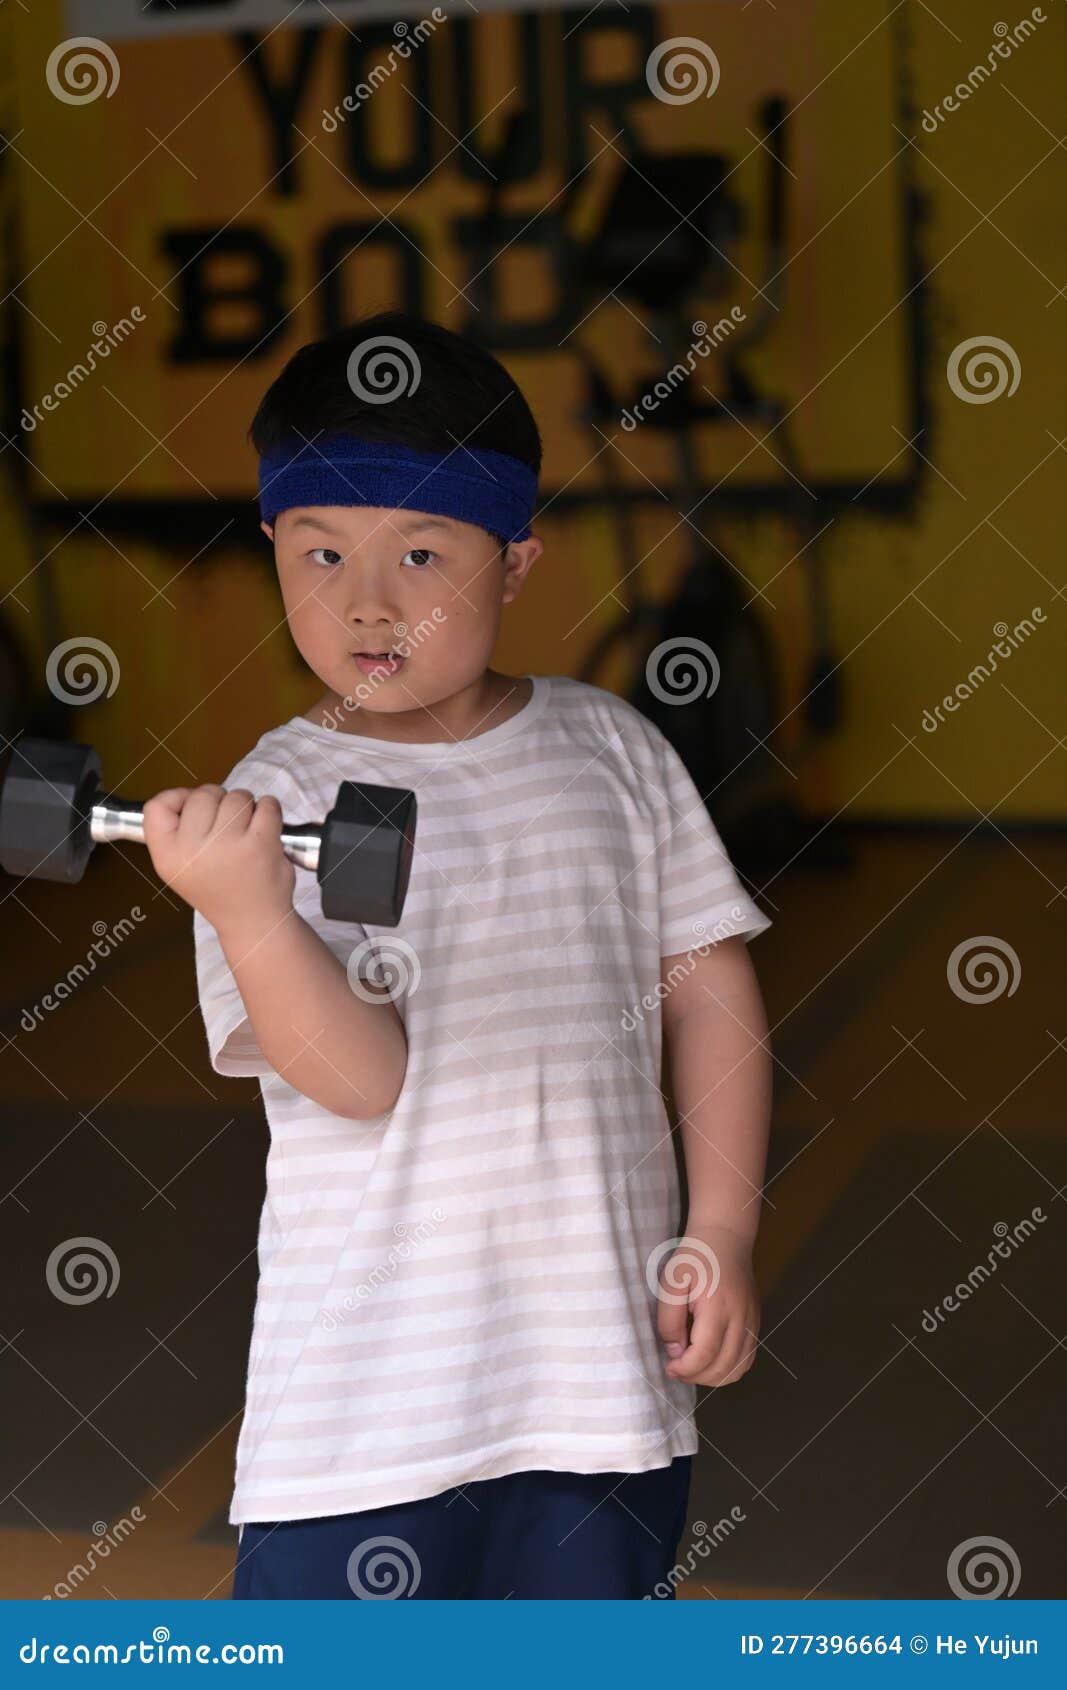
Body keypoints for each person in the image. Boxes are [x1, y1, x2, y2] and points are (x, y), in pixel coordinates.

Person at [142, 310, 773, 1601]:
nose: (366, 601)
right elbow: (361, 1078)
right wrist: (249, 909)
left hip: (597, 1381)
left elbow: (710, 993)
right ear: (273, 547)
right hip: (365, 1409)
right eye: (320, 552)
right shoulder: (273, 802)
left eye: (421, 552)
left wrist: (721, 1227)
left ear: (517, 562)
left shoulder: (613, 751)